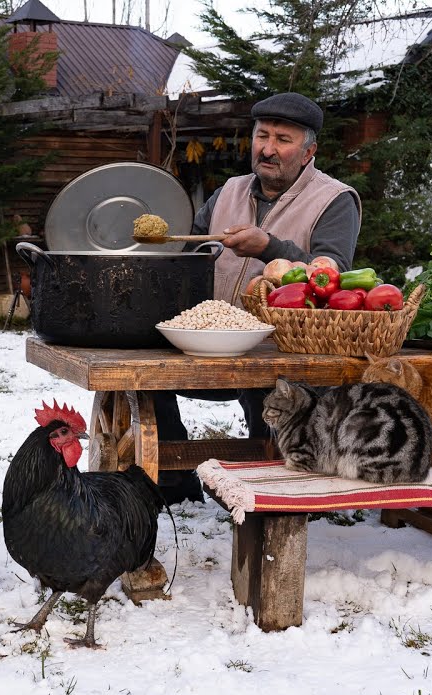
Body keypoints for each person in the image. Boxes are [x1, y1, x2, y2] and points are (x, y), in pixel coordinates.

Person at [155, 91, 361, 503]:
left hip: (283, 352)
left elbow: (332, 277)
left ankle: (274, 490)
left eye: (283, 139)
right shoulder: (227, 192)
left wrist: (270, 247)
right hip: (208, 343)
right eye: (261, 135)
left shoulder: (335, 200)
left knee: (271, 407)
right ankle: (172, 481)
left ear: (308, 151)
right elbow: (188, 260)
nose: (268, 149)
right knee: (140, 371)